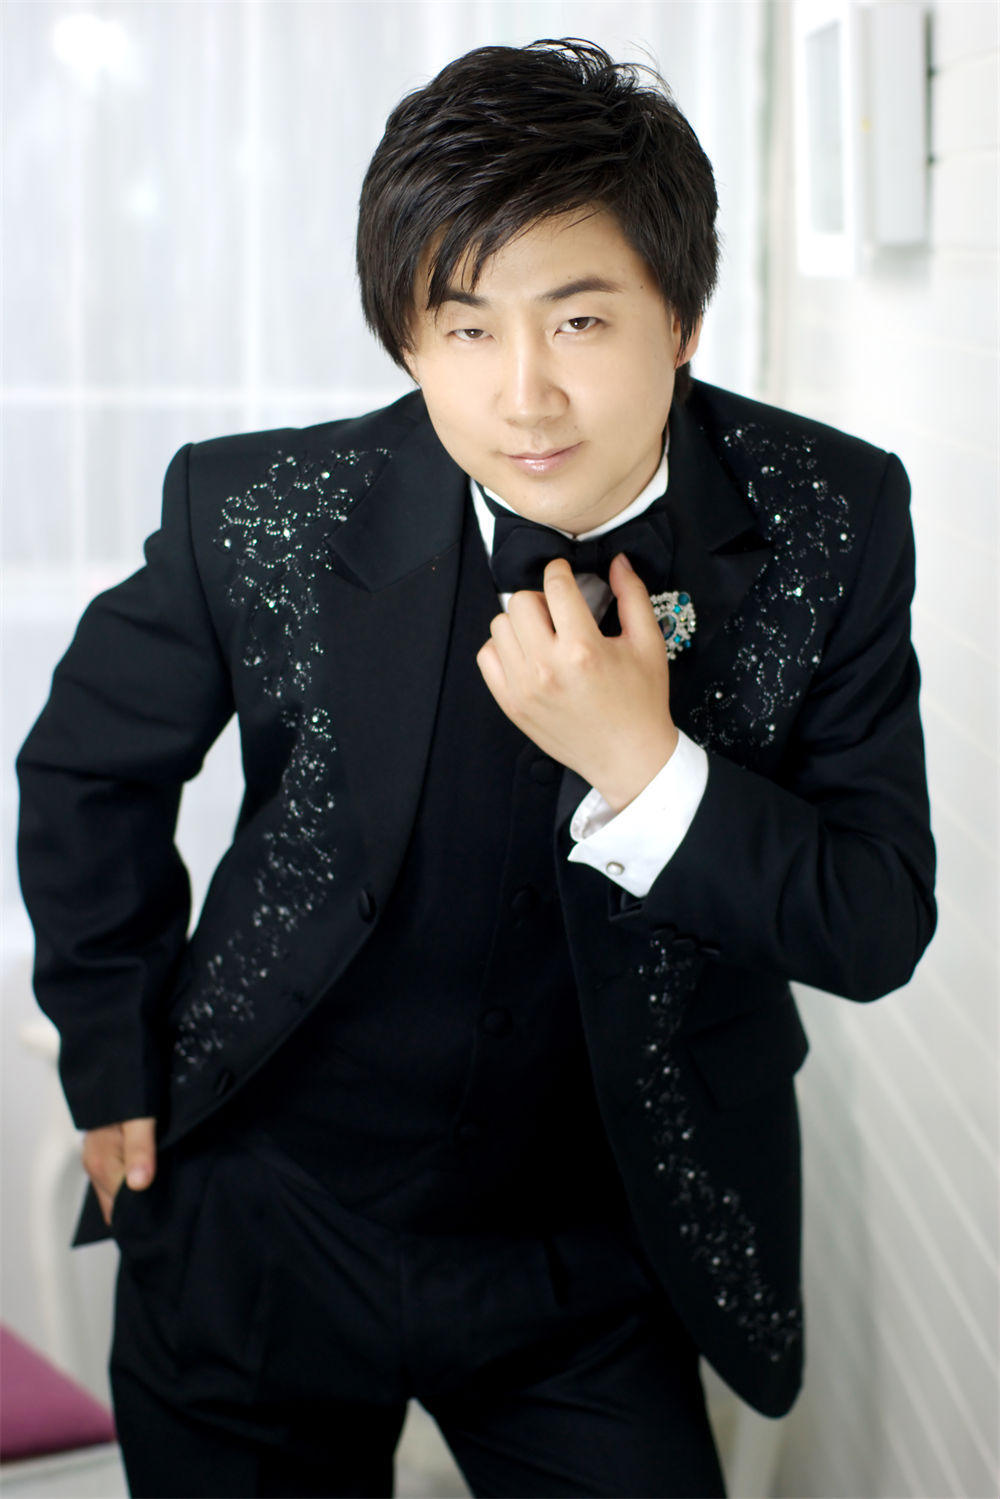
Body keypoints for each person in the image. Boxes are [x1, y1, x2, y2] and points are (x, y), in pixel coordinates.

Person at [16, 38, 935, 1499]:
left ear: (683, 316)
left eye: (580, 321)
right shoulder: (256, 506)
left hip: (596, 1249)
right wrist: (109, 1052)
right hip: (266, 1213)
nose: (524, 397)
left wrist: (647, 767)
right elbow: (85, 767)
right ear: (405, 340)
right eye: (463, 329)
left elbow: (875, 922)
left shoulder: (833, 514)